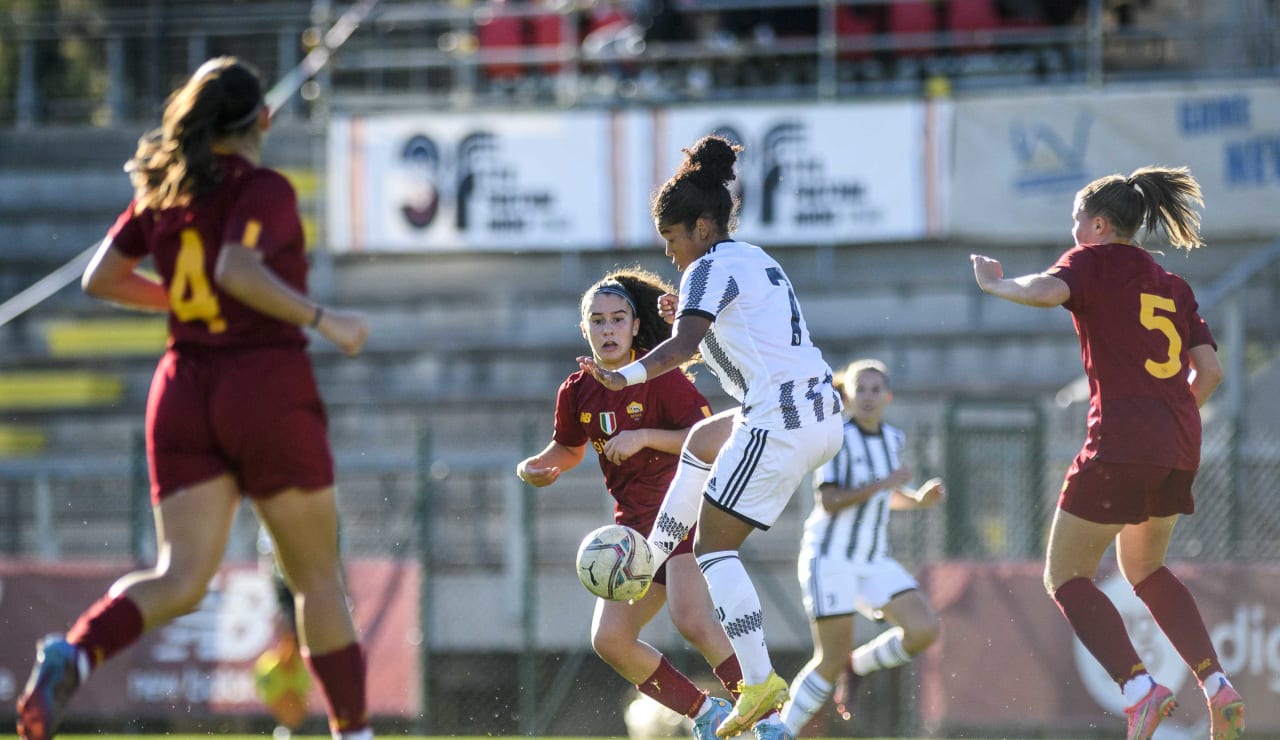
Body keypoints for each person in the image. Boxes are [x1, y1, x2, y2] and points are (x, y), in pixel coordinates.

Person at [15, 57, 372, 740]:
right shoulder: (263, 186)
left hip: (181, 388)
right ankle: (354, 733)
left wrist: (178, 301)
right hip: (264, 383)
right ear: (261, 118)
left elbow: (101, 278)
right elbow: (237, 269)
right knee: (317, 580)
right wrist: (327, 319)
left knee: (178, 578)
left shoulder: (165, 191)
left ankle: (75, 651)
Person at [577, 135, 844, 740]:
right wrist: (689, 312)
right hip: (817, 408)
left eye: (672, 239)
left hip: (779, 419)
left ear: (700, 226)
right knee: (701, 441)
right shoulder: (754, 259)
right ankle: (649, 556)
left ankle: (760, 682)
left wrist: (623, 376)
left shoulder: (709, 267)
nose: (670, 254)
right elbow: (735, 337)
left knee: (714, 553)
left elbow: (685, 349)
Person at [970, 165, 1244, 740]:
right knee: (1145, 568)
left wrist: (997, 285)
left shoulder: (1089, 262)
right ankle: (1217, 684)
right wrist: (1169, 415)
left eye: (1075, 221)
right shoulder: (1172, 283)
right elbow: (1212, 371)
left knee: (1065, 576)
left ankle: (1138, 689)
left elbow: (1045, 291)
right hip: (1178, 441)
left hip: (1121, 439)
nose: (1071, 232)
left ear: (1096, 224)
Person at [516, 267, 743, 740]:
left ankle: (762, 712)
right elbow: (570, 447)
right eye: (597, 321)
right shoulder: (577, 389)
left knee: (691, 617)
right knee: (610, 640)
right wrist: (538, 466)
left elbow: (707, 440)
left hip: (683, 510)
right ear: (585, 330)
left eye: (618, 319)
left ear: (636, 326)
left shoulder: (660, 377)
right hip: (635, 531)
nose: (608, 329)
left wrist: (642, 437)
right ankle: (706, 714)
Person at [779, 359, 945, 736]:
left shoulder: (893, 439)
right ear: (847, 395)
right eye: (861, 389)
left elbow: (884, 498)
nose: (868, 397)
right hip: (830, 558)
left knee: (924, 629)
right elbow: (831, 501)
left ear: (888, 396)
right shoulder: (836, 438)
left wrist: (917, 500)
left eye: (875, 389)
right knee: (829, 658)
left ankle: (859, 665)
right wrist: (884, 482)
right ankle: (780, 731)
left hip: (872, 560)